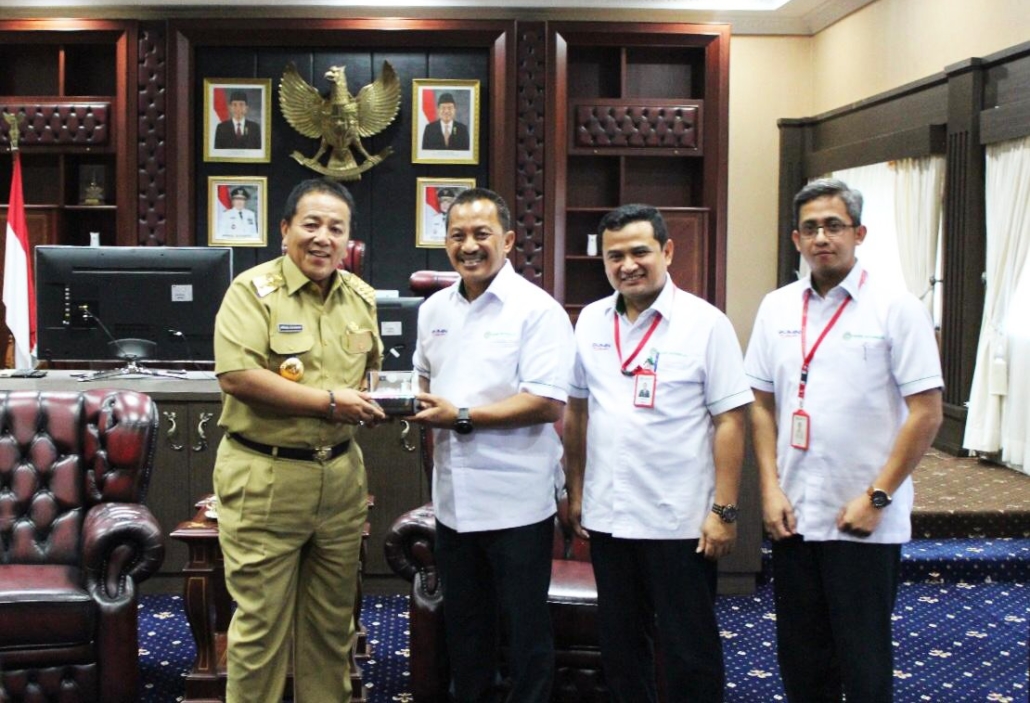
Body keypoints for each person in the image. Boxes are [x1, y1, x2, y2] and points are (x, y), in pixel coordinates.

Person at [744, 178, 944, 702]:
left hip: (863, 516)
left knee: (863, 658)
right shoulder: (777, 308)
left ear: (859, 233)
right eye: (810, 228)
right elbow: (760, 404)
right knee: (801, 656)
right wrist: (769, 488)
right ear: (796, 239)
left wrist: (878, 497)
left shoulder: (897, 308)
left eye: (833, 226)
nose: (821, 238)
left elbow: (927, 413)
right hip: (793, 512)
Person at [564, 204, 753, 703]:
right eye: (615, 256)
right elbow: (577, 411)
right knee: (621, 647)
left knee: (689, 649)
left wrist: (724, 511)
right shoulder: (590, 321)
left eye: (639, 252)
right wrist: (576, 490)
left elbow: (731, 420)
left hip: (680, 520)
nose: (627, 265)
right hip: (609, 515)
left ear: (667, 251)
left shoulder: (705, 324)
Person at [212, 177, 387, 703]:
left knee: (333, 628)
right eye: (311, 225)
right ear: (285, 229)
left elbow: (370, 374)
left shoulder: (360, 298)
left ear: (348, 239)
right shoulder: (251, 291)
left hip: (340, 479)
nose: (323, 238)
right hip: (266, 476)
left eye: (336, 228)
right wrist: (331, 402)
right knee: (261, 629)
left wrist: (379, 397)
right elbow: (238, 376)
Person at [410, 187, 575, 702]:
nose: (469, 246)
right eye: (457, 235)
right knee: (466, 629)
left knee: (525, 632)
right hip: (453, 502)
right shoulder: (433, 309)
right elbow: (421, 377)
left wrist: (460, 416)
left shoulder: (537, 310)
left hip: (517, 502)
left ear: (506, 240)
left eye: (481, 234)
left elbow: (546, 403)